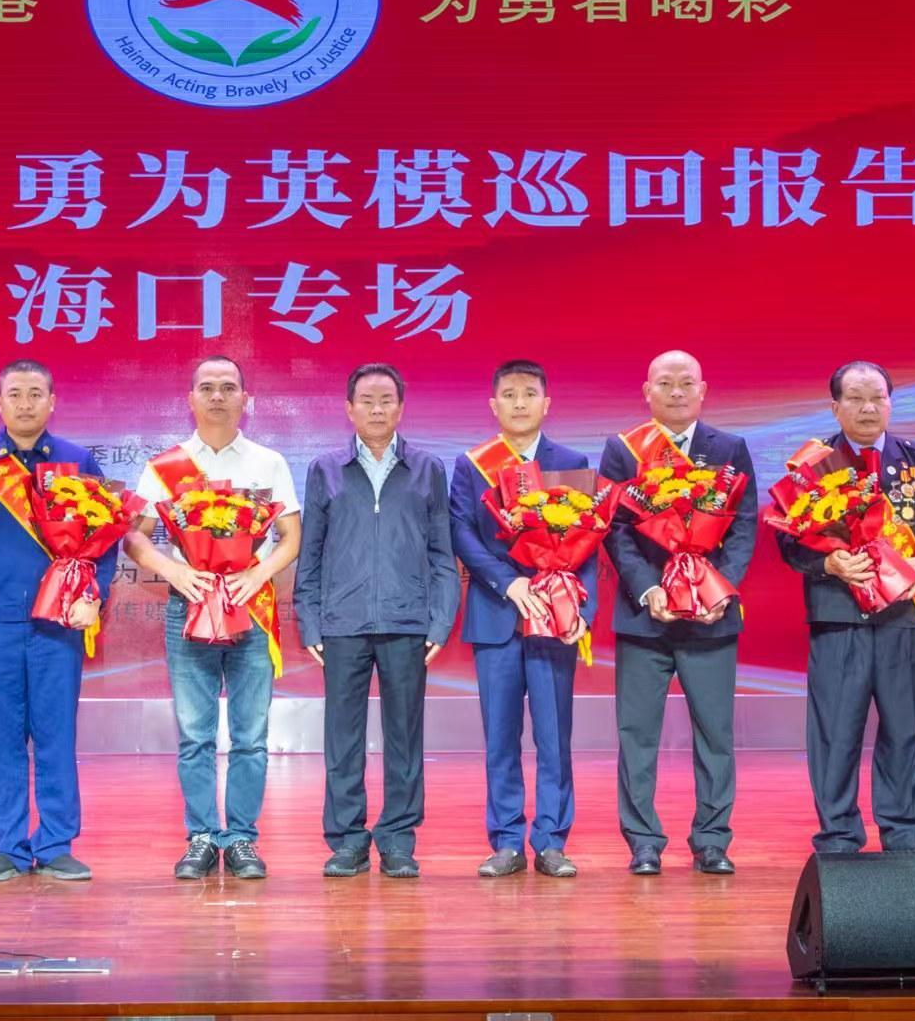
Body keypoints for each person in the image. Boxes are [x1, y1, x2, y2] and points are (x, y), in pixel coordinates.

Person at [123, 356, 302, 881]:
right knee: (195, 734)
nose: (218, 396)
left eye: (228, 387)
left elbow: (291, 536)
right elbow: (133, 536)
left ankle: (242, 838)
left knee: (251, 735)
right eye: (207, 387)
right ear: (191, 398)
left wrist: (259, 573)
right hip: (190, 606)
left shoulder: (269, 462)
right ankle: (201, 836)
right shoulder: (166, 465)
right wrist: (173, 571)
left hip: (250, 606)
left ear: (246, 398)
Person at [775, 361, 915, 854]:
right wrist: (828, 563)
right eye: (855, 398)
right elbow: (788, 542)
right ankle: (838, 833)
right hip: (838, 616)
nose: (868, 408)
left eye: (877, 397)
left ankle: (908, 831)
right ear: (835, 407)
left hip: (904, 614)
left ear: (890, 404)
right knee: (835, 732)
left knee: (906, 727)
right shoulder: (811, 466)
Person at [0, 360, 117, 882]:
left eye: (35, 393)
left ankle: (57, 842)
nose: (25, 403)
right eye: (15, 394)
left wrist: (93, 595)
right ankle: (7, 846)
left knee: (55, 734)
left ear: (52, 402)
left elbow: (104, 539)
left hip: (58, 622)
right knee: (0, 738)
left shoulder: (77, 461)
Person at [598, 350, 757, 877]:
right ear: (647, 392)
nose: (676, 392)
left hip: (711, 618)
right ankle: (643, 841)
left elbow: (743, 526)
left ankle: (712, 839)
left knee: (715, 734)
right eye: (665, 383)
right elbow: (615, 530)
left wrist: (718, 589)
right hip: (644, 617)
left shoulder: (729, 449)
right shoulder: (623, 450)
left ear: (703, 390)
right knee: (637, 735)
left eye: (687, 383)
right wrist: (648, 589)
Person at [298, 363, 460, 879]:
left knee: (404, 739)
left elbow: (442, 554)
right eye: (366, 400)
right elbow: (310, 553)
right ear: (349, 409)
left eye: (386, 400)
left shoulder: (427, 469)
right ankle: (347, 840)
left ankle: (398, 840)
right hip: (341, 623)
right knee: (342, 739)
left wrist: (440, 621)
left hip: (407, 621)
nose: (376, 409)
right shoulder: (325, 469)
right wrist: (309, 620)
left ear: (401, 408)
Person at [447, 359, 593, 879]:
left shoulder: (571, 462)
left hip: (555, 617)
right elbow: (461, 533)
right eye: (508, 394)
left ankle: (551, 841)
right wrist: (508, 583)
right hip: (497, 615)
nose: (519, 403)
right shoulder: (472, 465)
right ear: (494, 405)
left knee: (554, 737)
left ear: (546, 403)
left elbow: (588, 540)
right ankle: (507, 840)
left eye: (529, 393)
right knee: (501, 738)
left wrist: (581, 610)